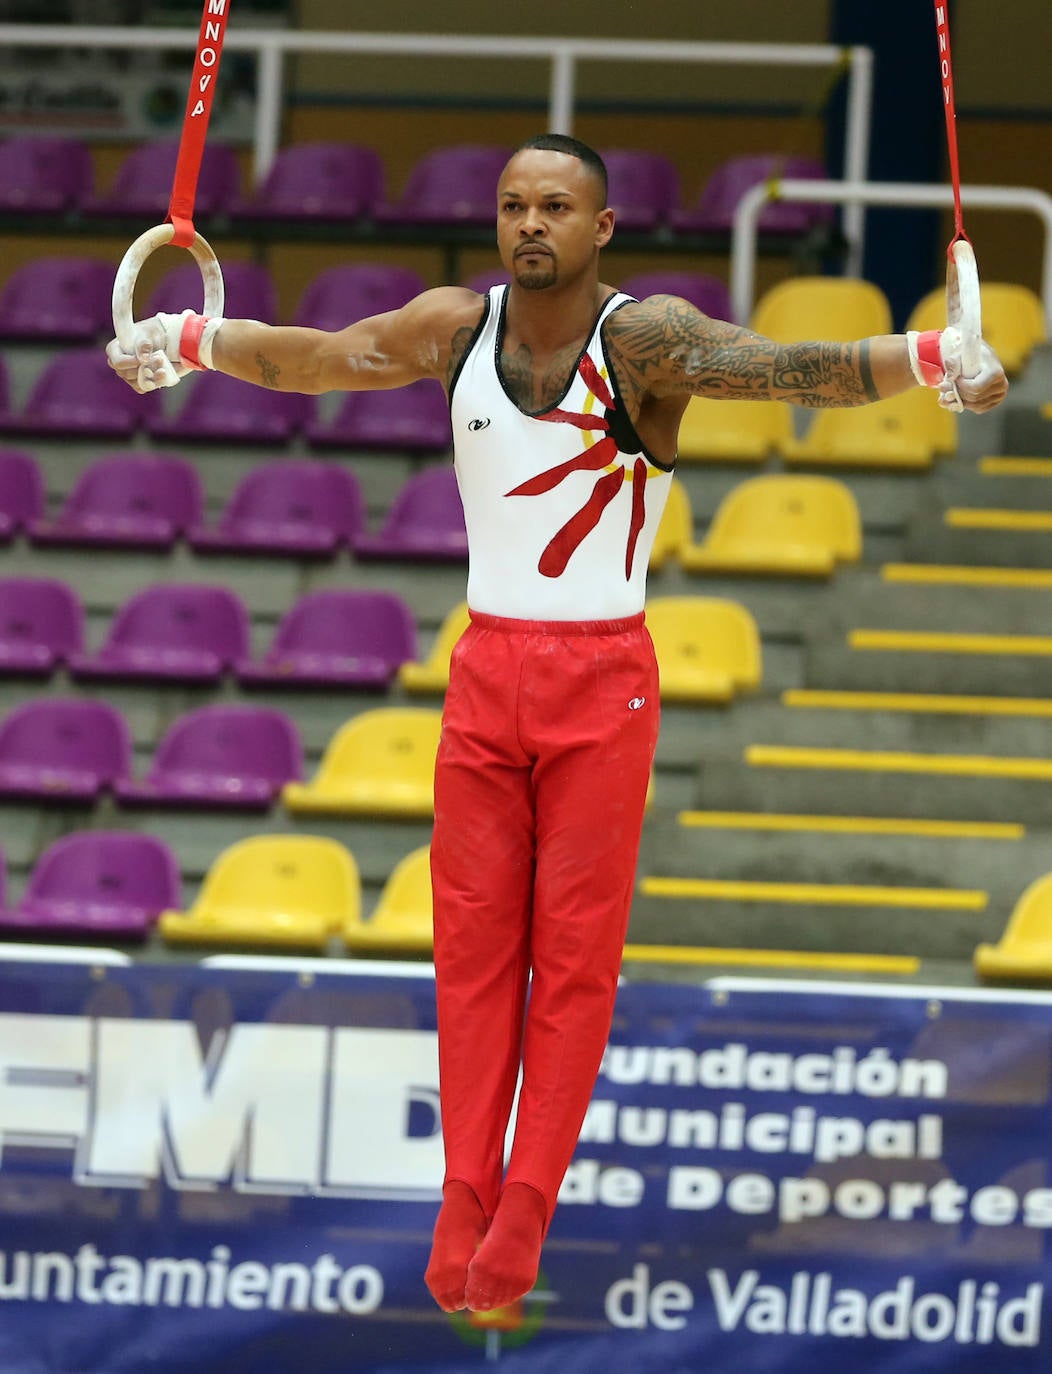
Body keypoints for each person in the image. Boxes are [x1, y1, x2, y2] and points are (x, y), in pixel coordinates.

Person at [107, 133, 1008, 1313]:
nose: (529, 224)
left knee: (568, 965)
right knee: (472, 955)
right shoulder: (451, 328)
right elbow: (316, 360)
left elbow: (798, 370)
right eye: (511, 205)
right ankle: (464, 1190)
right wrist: (186, 340)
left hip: (601, 682)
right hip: (485, 675)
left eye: (555, 207)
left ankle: (527, 1202)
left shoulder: (644, 341)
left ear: (601, 228)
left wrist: (939, 355)